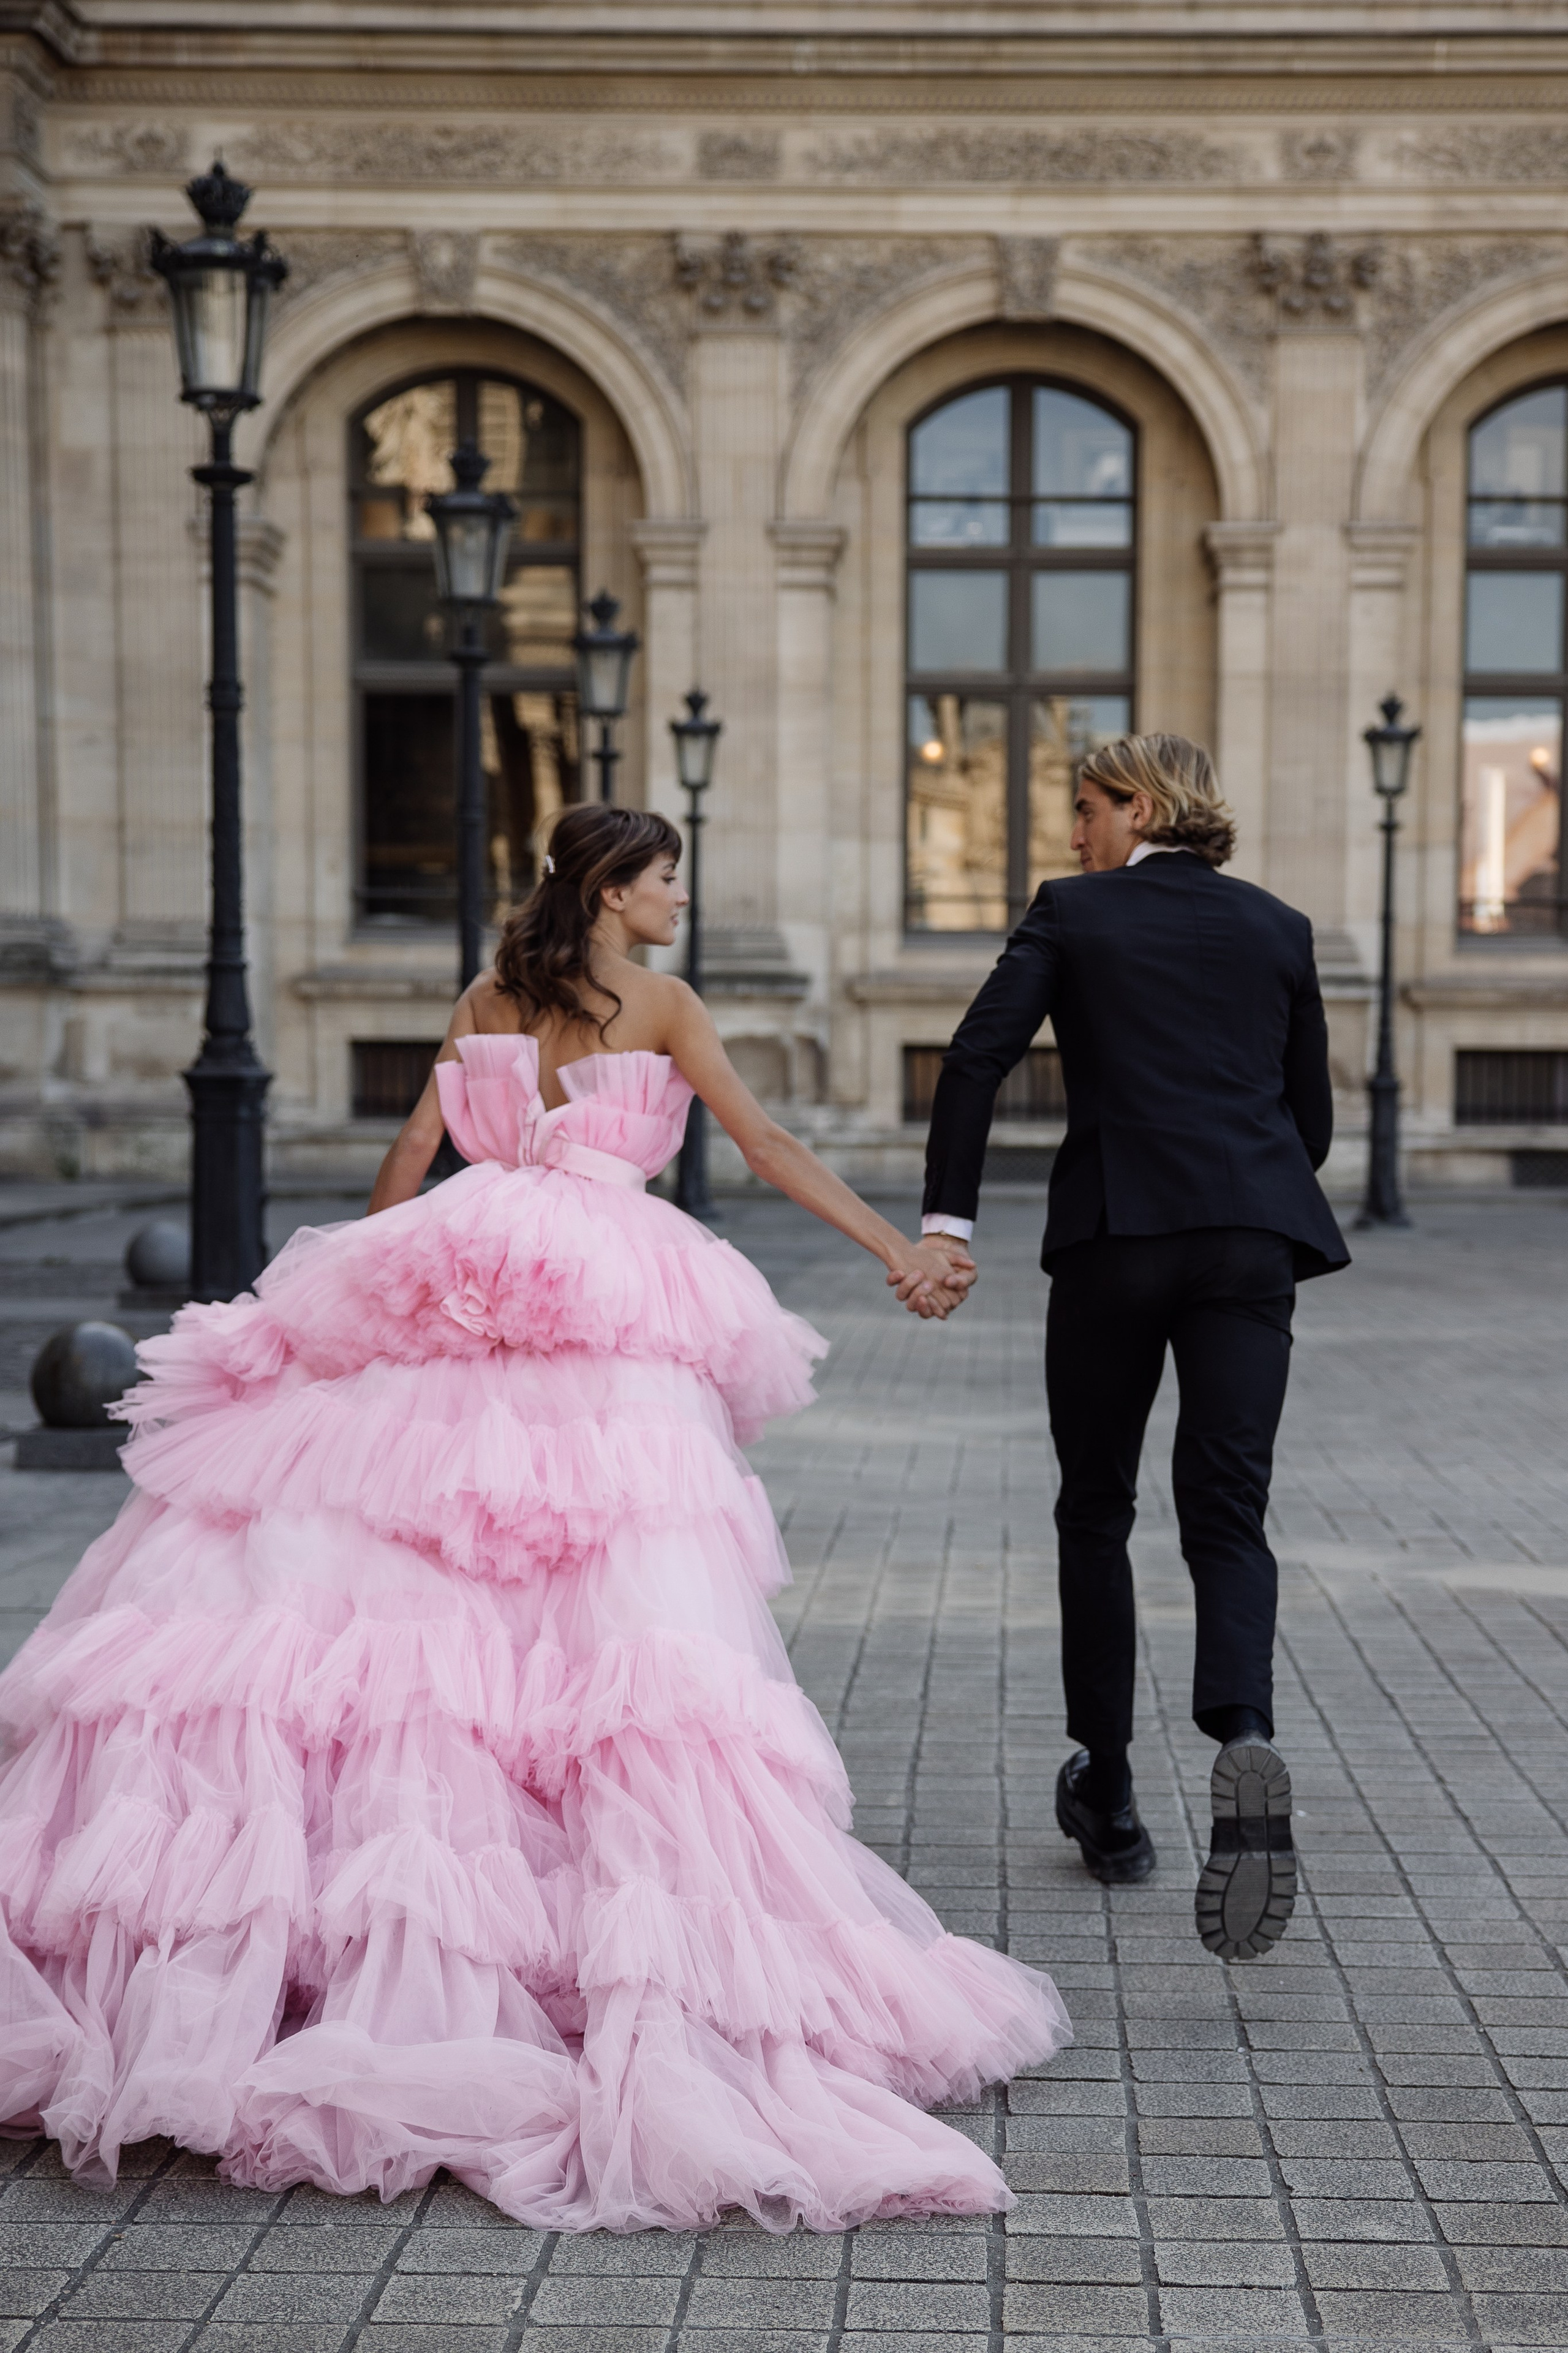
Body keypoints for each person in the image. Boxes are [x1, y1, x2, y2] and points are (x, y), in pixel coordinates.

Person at [0, 802, 1069, 2232]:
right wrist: (899, 1246)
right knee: (605, 1609)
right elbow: (760, 1143)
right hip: (603, 1313)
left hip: (466, 1278)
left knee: (437, 1586)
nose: (680, 897)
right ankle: (576, 1931)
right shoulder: (660, 1004)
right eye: (666, 877)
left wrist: (334, 1299)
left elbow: (411, 1158)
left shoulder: (488, 994)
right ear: (615, 891)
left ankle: (412, 1928)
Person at [920, 735, 1348, 1961]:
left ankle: (1106, 1794)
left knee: (1095, 1505)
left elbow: (975, 1056)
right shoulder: (1279, 925)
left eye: (1086, 808)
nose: (1072, 833)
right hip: (1252, 1238)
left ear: (1141, 808)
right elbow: (1311, 1119)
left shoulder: (1073, 912)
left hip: (1117, 1235)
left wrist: (947, 1222)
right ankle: (1243, 1733)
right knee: (1227, 1506)